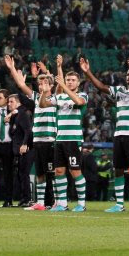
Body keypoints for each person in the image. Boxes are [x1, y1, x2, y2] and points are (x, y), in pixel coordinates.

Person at [80, 56, 129, 213]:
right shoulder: (120, 91)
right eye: (127, 74)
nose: (128, 77)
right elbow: (102, 87)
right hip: (119, 135)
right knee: (118, 169)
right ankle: (119, 204)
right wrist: (88, 72)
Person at [4, 56, 56, 211]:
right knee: (40, 173)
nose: (41, 86)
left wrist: (47, 72)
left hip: (51, 140)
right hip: (38, 140)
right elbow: (20, 84)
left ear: (51, 85)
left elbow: (58, 83)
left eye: (45, 83)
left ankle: (56, 202)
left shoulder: (57, 98)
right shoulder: (35, 98)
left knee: (52, 173)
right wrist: (12, 68)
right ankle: (40, 202)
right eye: (39, 84)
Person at [40, 54, 88, 212]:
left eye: (73, 80)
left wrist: (63, 86)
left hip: (73, 140)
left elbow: (79, 103)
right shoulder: (59, 97)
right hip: (60, 139)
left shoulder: (82, 95)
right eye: (68, 80)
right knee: (59, 171)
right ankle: (62, 203)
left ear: (78, 83)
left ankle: (81, 203)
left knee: (75, 171)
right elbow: (43, 104)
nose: (70, 82)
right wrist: (44, 92)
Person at [7, 93, 33, 207]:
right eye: (8, 102)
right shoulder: (15, 116)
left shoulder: (22, 114)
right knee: (21, 174)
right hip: (19, 149)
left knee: (24, 174)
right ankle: (24, 198)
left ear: (18, 103)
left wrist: (24, 144)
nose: (9, 104)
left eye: (11, 101)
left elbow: (28, 130)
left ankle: (27, 198)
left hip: (26, 149)